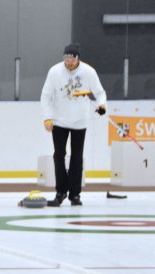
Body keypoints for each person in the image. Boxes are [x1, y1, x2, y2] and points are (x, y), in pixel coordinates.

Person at [41, 42, 107, 207]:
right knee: (59, 155)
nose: (68, 62)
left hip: (80, 121)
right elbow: (45, 96)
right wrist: (48, 118)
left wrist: (102, 105)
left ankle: (75, 194)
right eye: (66, 58)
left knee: (77, 158)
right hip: (59, 120)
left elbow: (100, 92)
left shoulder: (88, 72)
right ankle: (60, 191)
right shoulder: (55, 71)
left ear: (78, 58)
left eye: (72, 58)